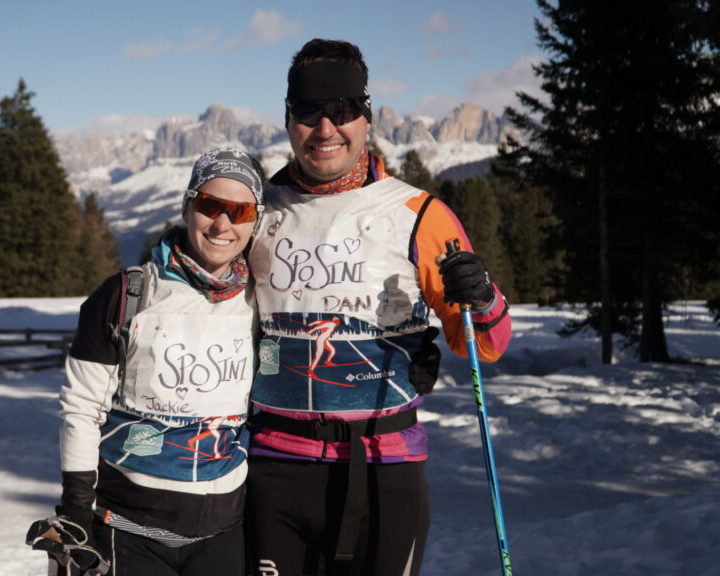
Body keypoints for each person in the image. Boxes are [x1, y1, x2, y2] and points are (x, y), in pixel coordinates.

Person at [245, 39, 513, 576]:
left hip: (384, 467)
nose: (325, 129)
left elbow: (486, 343)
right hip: (275, 467)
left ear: (366, 117)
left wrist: (480, 296)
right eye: (308, 112)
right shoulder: (255, 212)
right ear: (287, 118)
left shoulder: (418, 213)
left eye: (342, 111)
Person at [44, 148, 264, 576]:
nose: (222, 223)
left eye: (240, 211)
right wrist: (74, 509)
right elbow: (82, 409)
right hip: (128, 533)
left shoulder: (260, 299)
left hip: (223, 535)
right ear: (187, 206)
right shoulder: (124, 295)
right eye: (209, 205)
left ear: (255, 221)